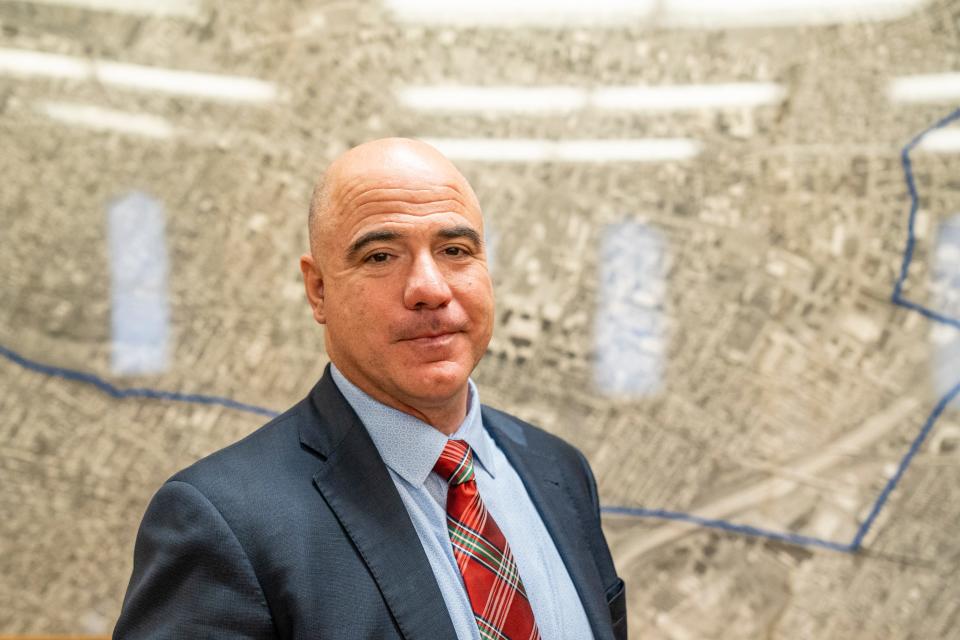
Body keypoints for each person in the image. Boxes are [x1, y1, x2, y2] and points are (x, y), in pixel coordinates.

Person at [114, 138, 626, 640]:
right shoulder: (224, 523)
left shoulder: (560, 472)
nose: (430, 288)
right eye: (381, 256)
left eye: (454, 250)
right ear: (318, 290)